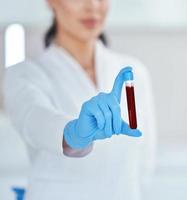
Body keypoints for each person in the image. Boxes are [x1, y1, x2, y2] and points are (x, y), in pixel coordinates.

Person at [3, 0, 156, 199]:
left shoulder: (133, 71)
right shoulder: (24, 74)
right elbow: (34, 119)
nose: (92, 5)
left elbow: (144, 165)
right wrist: (72, 134)